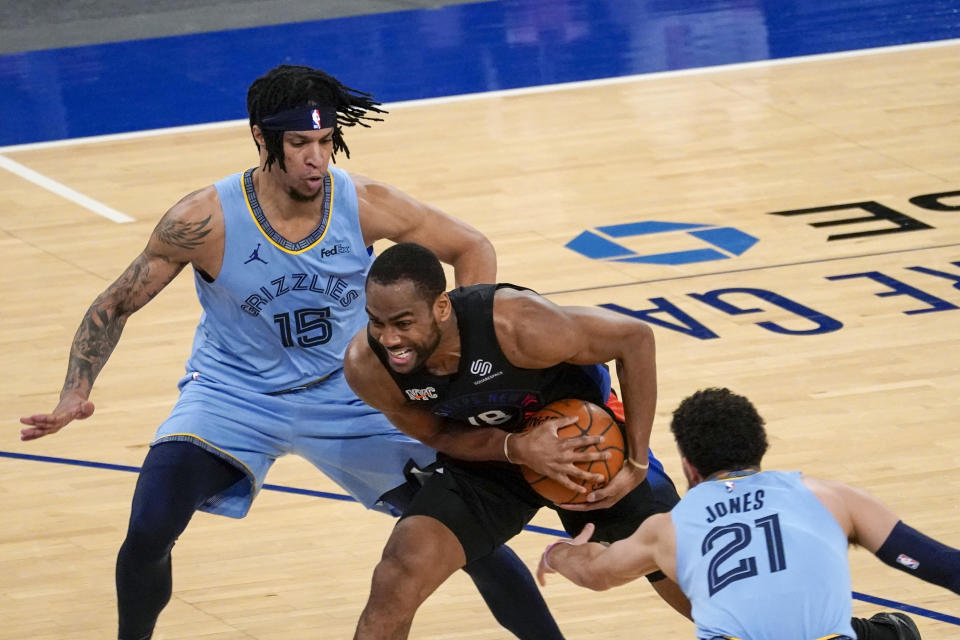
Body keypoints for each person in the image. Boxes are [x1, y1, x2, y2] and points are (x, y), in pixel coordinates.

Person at [18, 64, 566, 640]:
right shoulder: (203, 219)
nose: (317, 158)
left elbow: (470, 245)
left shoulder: (364, 203)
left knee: (466, 534)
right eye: (300, 143)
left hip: (355, 394)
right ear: (262, 137)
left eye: (326, 141)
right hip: (235, 397)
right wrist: (75, 390)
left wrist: (457, 352)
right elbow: (116, 303)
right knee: (151, 525)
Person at [343, 241, 691, 640]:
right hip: (491, 456)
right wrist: (518, 448)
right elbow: (439, 433)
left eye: (403, 324)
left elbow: (635, 339)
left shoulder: (517, 325)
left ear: (441, 308)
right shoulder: (369, 368)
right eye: (377, 322)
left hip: (584, 443)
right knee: (396, 576)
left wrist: (638, 459)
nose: (389, 340)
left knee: (687, 575)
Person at [537, 387, 960, 640]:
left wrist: (558, 554)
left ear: (688, 466)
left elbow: (597, 573)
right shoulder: (832, 498)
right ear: (761, 448)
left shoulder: (667, 530)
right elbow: (944, 567)